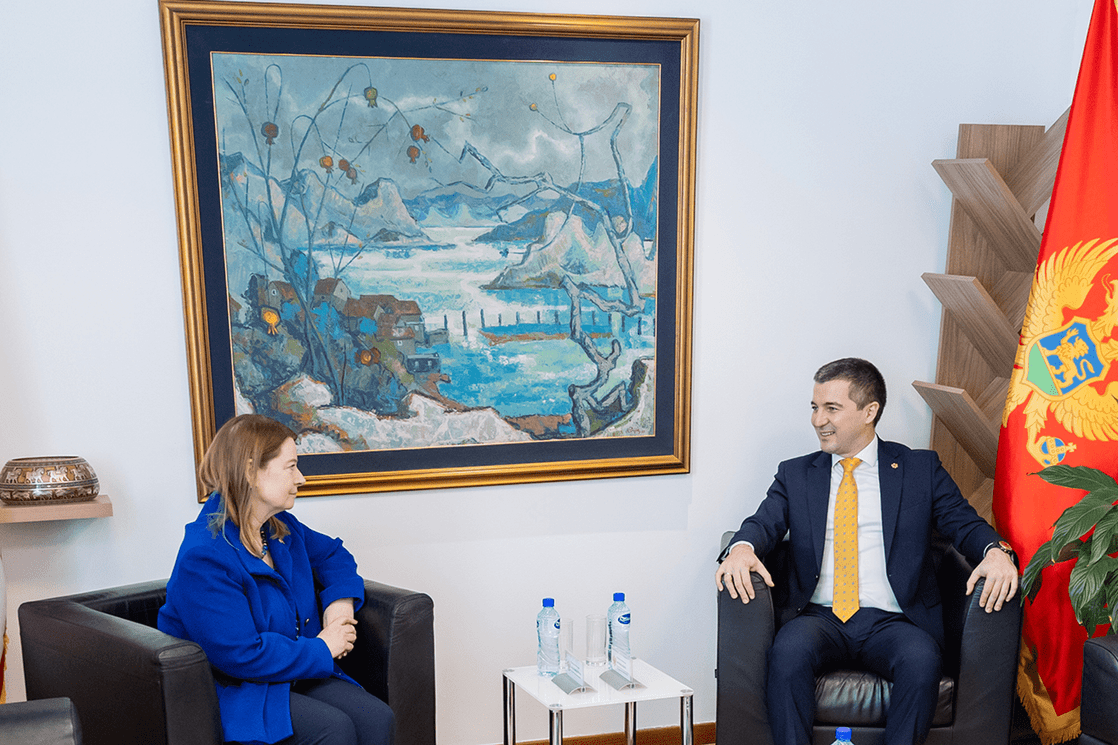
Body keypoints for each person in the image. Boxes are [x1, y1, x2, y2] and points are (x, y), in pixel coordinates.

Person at [715, 358, 1018, 745]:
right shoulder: (796, 474)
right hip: (818, 617)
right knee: (787, 657)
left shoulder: (919, 469)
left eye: (832, 408)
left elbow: (964, 522)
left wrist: (994, 552)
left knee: (921, 662)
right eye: (814, 407)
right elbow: (763, 523)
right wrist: (741, 548)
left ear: (869, 411)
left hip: (895, 620)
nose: (818, 420)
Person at [158, 414, 394, 745]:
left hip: (291, 669)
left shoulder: (279, 526)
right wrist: (323, 647)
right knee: (334, 728)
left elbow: (333, 556)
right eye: (291, 466)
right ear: (251, 472)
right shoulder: (204, 557)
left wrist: (339, 608)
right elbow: (241, 655)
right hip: (237, 689)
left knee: (377, 718)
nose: (301, 478)